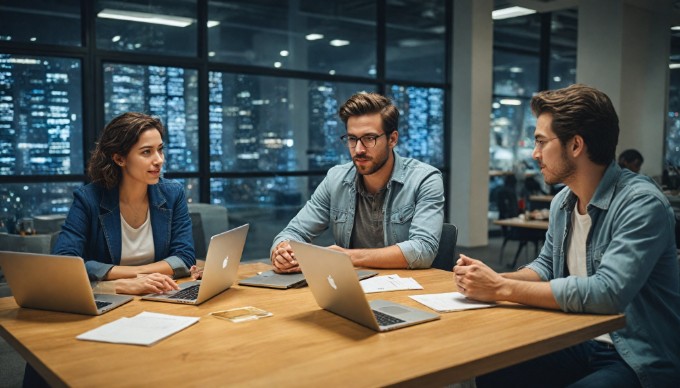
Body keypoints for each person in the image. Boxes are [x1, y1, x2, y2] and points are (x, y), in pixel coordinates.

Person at [454, 84, 680, 387]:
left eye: (541, 142)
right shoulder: (564, 201)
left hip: (637, 354)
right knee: (494, 368)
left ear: (575, 145)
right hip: (579, 337)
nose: (534, 154)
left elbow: (608, 293)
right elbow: (546, 266)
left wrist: (501, 288)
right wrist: (489, 279)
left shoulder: (641, 203)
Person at [270, 92, 444, 272]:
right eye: (352, 139)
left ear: (392, 139)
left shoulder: (425, 179)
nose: (358, 150)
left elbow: (424, 249)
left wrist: (346, 257)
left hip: (408, 290)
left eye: (369, 138)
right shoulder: (335, 179)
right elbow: (293, 232)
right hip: (351, 288)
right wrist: (282, 251)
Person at [52, 112, 196, 295]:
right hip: (110, 299)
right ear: (119, 158)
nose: (159, 160)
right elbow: (65, 262)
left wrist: (142, 276)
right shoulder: (89, 198)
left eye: (160, 149)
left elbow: (184, 256)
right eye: (146, 152)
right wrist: (131, 280)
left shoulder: (173, 193)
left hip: (159, 294)